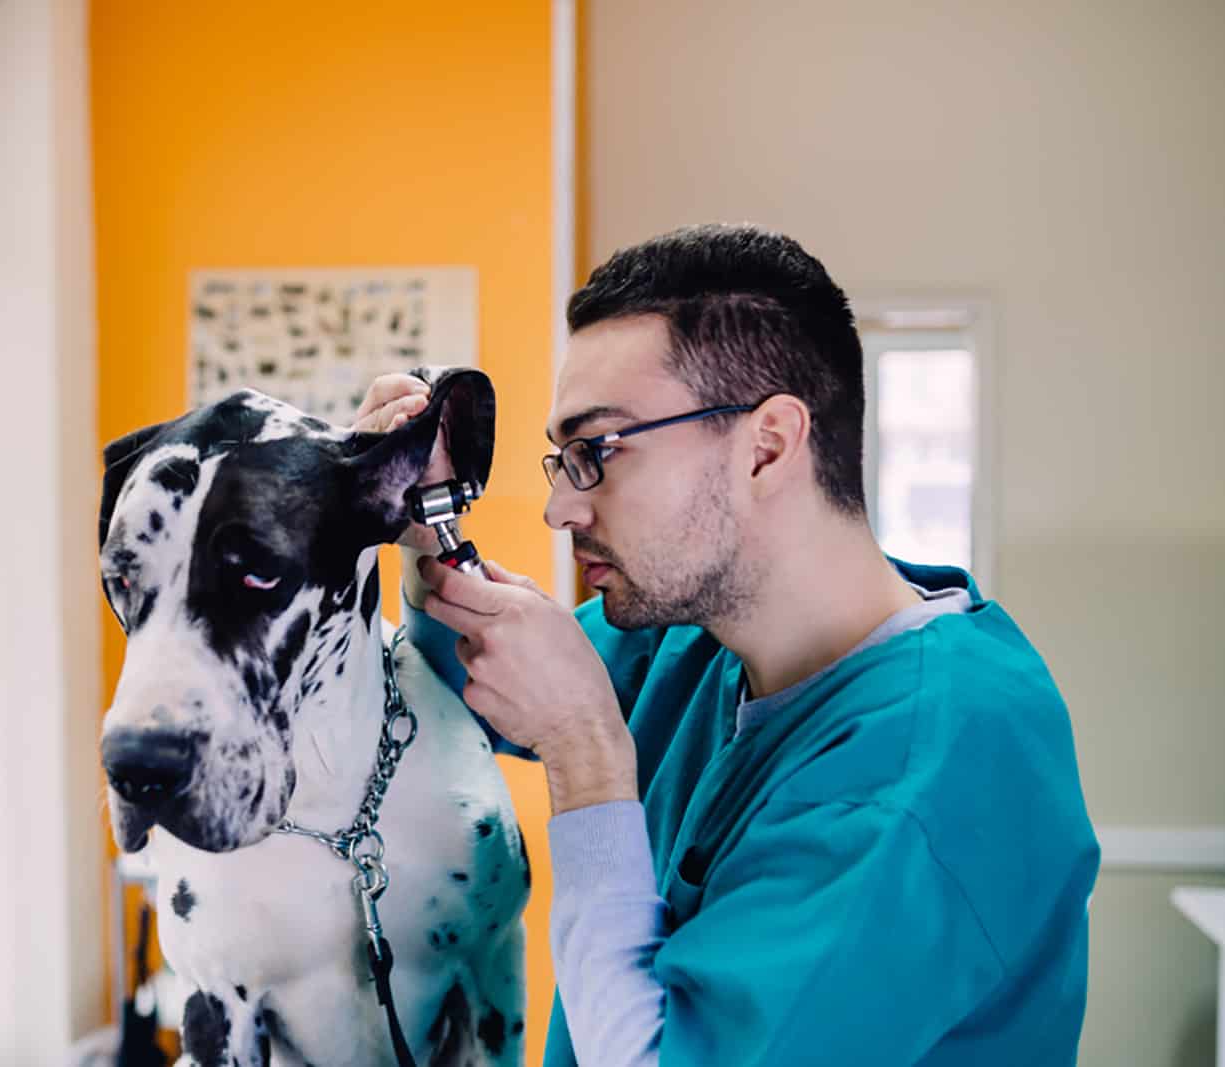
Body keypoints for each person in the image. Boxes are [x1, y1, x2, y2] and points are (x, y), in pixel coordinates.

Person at [352, 224, 1099, 1066]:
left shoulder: (928, 770)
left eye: (596, 451)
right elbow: (479, 684)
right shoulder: (697, 642)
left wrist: (587, 755)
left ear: (768, 445)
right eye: (562, 459)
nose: (559, 510)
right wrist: (424, 538)